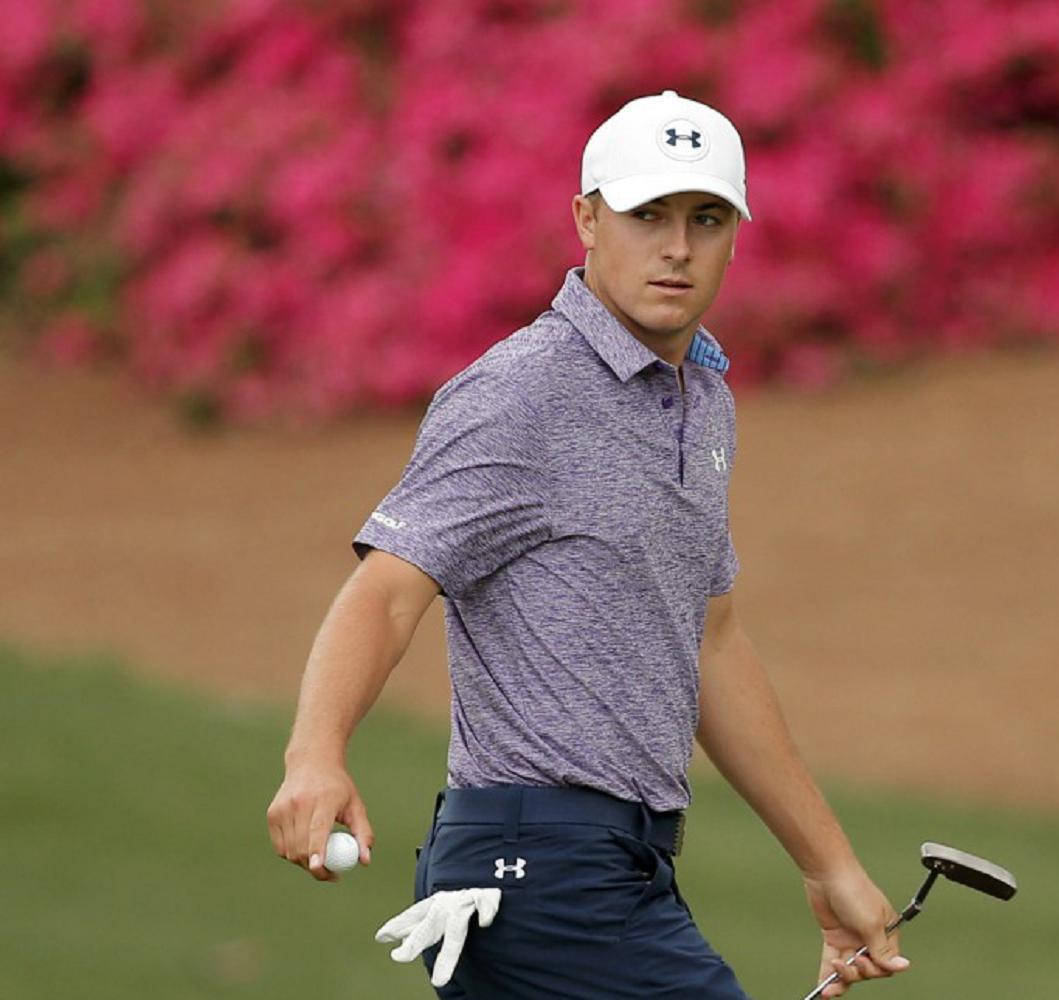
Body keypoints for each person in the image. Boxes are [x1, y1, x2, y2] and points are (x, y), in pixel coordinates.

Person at [266, 89, 909, 999]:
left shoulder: (705, 405)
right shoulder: (522, 390)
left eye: (707, 218)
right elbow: (390, 588)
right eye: (647, 215)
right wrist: (315, 755)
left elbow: (710, 644)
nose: (678, 247)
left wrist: (827, 863)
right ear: (587, 220)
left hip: (620, 870)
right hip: (537, 874)